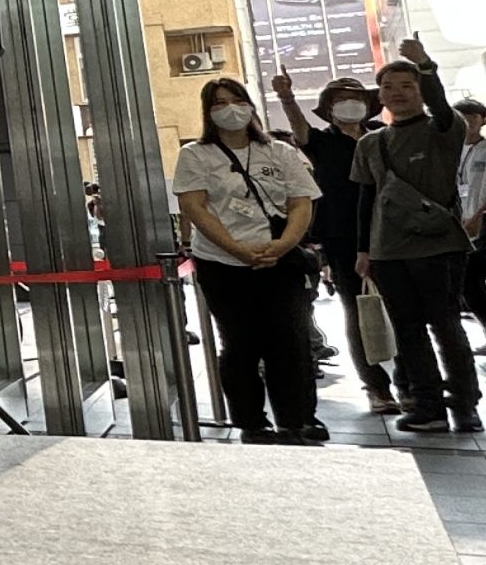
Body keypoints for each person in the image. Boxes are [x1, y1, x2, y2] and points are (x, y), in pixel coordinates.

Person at [172, 79, 322, 444]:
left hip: (280, 260)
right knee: (241, 345)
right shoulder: (196, 154)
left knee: (290, 343)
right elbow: (194, 207)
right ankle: (252, 422)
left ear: (250, 105)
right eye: (219, 103)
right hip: (223, 264)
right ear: (208, 112)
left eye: (236, 101)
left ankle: (296, 419)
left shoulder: (279, 151)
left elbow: (301, 201)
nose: (230, 109)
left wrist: (284, 244)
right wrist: (236, 249)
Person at [355, 38, 480, 435]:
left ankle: (465, 404)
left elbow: (441, 106)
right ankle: (428, 406)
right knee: (408, 332)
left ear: (421, 90)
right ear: (379, 95)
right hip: (388, 251)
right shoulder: (370, 142)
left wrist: (425, 65)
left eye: (407, 85)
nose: (397, 93)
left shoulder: (443, 129)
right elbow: (367, 198)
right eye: (388, 86)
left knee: (446, 325)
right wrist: (363, 250)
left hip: (439, 247)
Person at [272, 73, 396, 414]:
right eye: (340, 99)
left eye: (356, 98)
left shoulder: (382, 136)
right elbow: (300, 130)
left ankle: (412, 382)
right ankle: (377, 387)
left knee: (402, 310)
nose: (350, 104)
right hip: (342, 236)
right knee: (358, 311)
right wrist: (287, 98)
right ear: (328, 108)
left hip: (392, 231)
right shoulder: (321, 141)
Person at [456, 96, 486, 342]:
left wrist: (479, 215)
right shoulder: (451, 151)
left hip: (482, 223)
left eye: (473, 116)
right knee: (467, 284)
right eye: (463, 117)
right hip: (460, 224)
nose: (468, 122)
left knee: (470, 279)